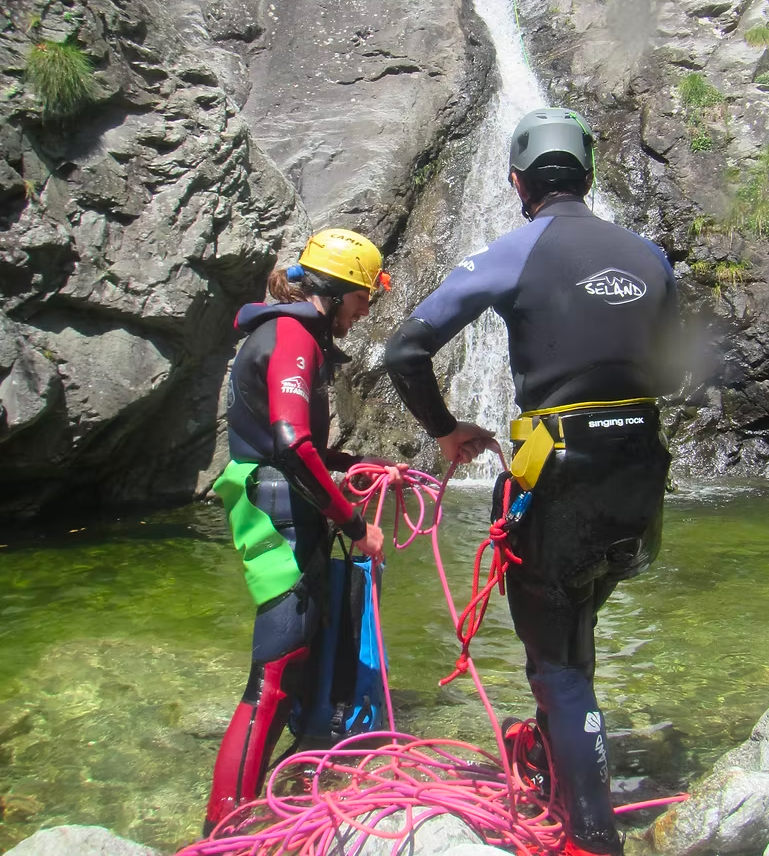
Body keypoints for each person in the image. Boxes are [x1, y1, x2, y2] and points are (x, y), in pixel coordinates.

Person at [383, 107, 682, 856]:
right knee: (575, 633)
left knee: (555, 660)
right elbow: (673, 371)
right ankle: (557, 756)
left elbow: (405, 349)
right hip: (642, 475)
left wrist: (444, 429)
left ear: (518, 182)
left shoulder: (515, 249)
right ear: (589, 174)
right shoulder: (650, 256)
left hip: (562, 477)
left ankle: (590, 835)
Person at [204, 228, 404, 835]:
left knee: (289, 667)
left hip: (282, 505)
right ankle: (225, 829)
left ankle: (256, 808)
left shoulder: (295, 334)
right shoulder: (292, 336)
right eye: (362, 298)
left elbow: (296, 443)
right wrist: (357, 525)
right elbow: (291, 445)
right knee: (273, 674)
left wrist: (356, 464)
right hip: (278, 513)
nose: (363, 312)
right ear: (336, 290)